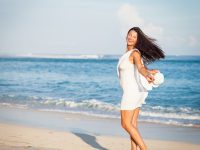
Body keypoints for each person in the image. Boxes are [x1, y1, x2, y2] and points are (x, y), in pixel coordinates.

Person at [117, 27, 165, 150]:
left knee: (125, 124)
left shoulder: (135, 53)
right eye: (129, 35)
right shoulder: (129, 54)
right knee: (132, 125)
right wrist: (148, 72)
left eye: (134, 36)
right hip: (137, 92)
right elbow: (140, 68)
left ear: (137, 40)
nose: (131, 37)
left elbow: (140, 68)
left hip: (131, 93)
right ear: (126, 36)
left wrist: (147, 73)